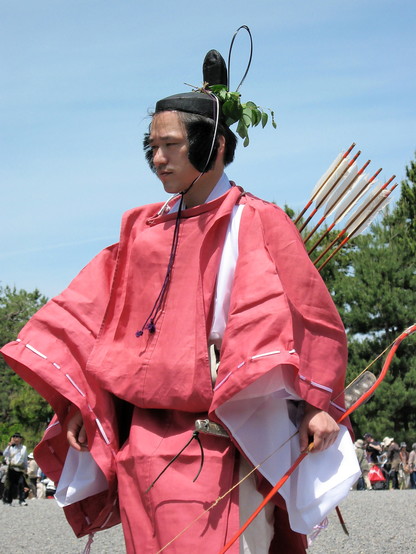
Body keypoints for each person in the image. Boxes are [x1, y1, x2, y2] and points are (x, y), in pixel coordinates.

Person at [1, 41, 359, 552]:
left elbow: (311, 320)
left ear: (213, 145)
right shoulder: (141, 228)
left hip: (229, 429)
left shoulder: (256, 220)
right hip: (140, 435)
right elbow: (91, 320)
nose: (157, 157)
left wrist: (316, 405)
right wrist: (81, 402)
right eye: (150, 145)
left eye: (169, 144)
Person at [2, 433, 28, 506]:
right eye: (14, 437)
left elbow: (25, 458)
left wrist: (26, 468)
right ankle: (8, 500)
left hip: (20, 469)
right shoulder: (11, 447)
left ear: (21, 439)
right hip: (12, 468)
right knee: (10, 485)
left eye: (18, 437)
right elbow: (5, 454)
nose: (16, 439)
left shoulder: (24, 448)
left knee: (21, 484)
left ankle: (22, 500)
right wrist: (9, 446)